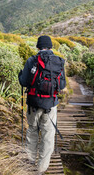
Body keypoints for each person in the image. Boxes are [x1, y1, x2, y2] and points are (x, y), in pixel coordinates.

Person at [18, 35, 66, 174]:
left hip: (33, 103)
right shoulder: (59, 62)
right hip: (50, 105)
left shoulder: (31, 61)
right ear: (51, 47)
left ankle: (29, 162)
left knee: (32, 131)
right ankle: (41, 169)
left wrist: (20, 75)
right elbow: (62, 85)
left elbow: (24, 82)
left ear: (38, 47)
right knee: (48, 135)